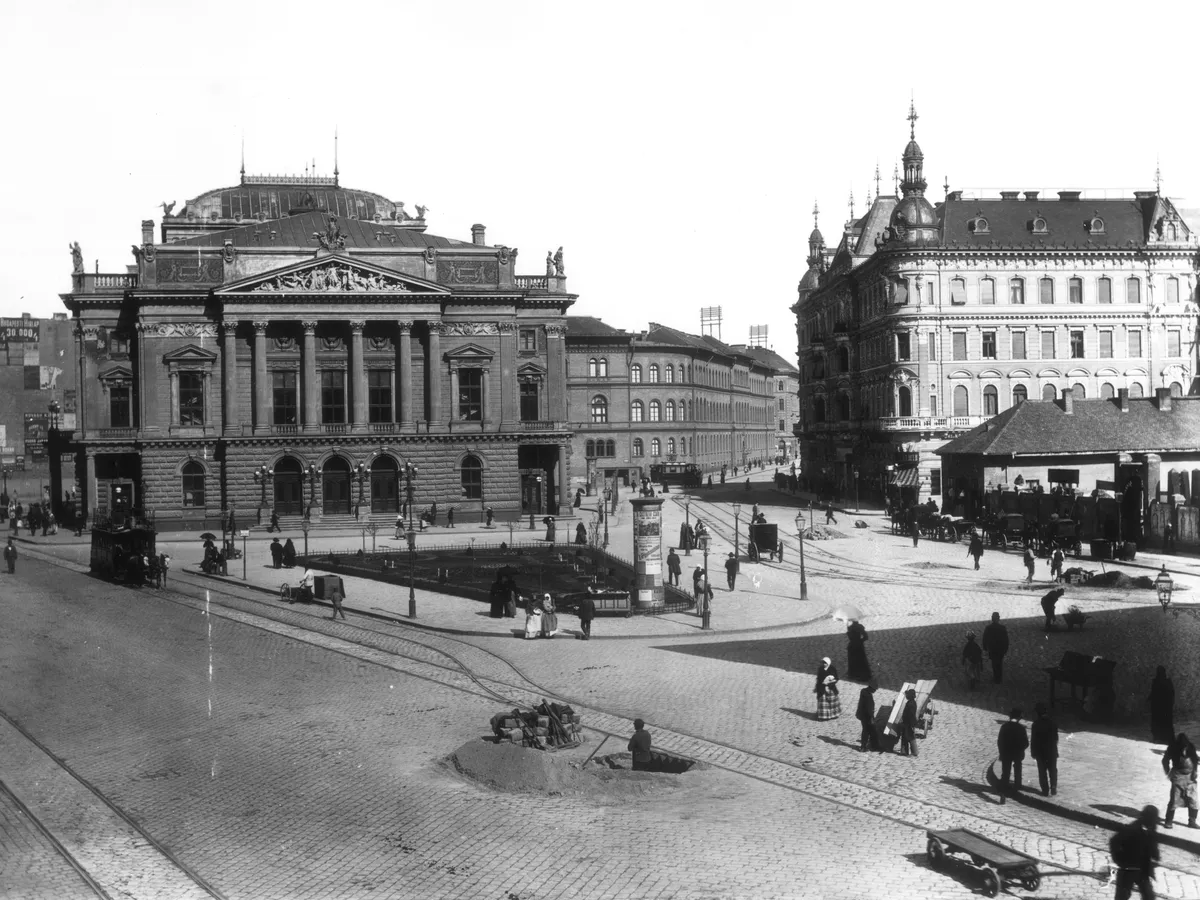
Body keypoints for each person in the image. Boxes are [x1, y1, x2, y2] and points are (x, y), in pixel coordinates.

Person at [1109, 805, 1160, 899]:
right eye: (1153, 819)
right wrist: (1119, 860)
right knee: (1122, 896)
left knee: (1149, 896)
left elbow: (1152, 846)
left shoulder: (1151, 829)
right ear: (1146, 818)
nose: (1154, 822)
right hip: (1128, 869)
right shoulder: (1133, 829)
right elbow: (1114, 841)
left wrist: (1156, 855)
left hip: (1142, 869)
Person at [1162, 733, 1199, 829]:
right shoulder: (1173, 748)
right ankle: (1168, 821)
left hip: (1190, 778)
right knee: (1174, 800)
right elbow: (1165, 760)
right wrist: (1167, 771)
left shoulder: (1190, 747)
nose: (1184, 751)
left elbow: (1195, 759)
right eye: (1183, 748)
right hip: (1178, 776)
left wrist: (1195, 771)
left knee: (1193, 800)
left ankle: (1192, 821)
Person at [996, 708, 1028, 804]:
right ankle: (1017, 788)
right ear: (1019, 718)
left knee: (1005, 773)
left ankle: (1003, 793)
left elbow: (1000, 741)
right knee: (1018, 770)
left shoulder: (1004, 727)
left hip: (1006, 753)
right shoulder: (1021, 728)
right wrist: (1020, 749)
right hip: (1017, 754)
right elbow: (1026, 743)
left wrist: (1001, 752)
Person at [1030, 702, 1059, 797]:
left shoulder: (1035, 724)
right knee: (1053, 769)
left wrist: (1033, 752)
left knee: (1042, 771)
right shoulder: (1052, 723)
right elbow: (1056, 738)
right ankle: (1053, 785)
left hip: (1040, 752)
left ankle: (1045, 790)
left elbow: (1033, 740)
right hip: (1051, 751)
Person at [1150, 666, 1175, 745]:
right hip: (1164, 707)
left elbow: (1153, 693)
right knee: (1164, 722)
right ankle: (1163, 737)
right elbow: (1171, 693)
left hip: (1159, 706)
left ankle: (1158, 737)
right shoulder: (1167, 681)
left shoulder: (1157, 681)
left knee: (1158, 722)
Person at [982, 612, 1009, 684]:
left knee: (994, 663)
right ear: (999, 618)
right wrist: (1005, 649)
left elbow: (985, 638)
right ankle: (999, 678)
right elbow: (1006, 640)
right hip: (1000, 649)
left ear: (992, 618)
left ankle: (995, 677)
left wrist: (985, 647)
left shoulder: (988, 628)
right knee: (999, 663)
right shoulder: (1002, 628)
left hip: (992, 649)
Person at [856, 680, 880, 752]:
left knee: (867, 731)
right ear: (871, 688)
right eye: (874, 689)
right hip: (867, 717)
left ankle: (868, 746)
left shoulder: (863, 691)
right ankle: (864, 747)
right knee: (867, 731)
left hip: (862, 715)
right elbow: (869, 709)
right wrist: (872, 718)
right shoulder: (868, 696)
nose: (875, 691)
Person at [899, 687, 918, 757]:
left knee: (911, 737)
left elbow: (911, 716)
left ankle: (914, 753)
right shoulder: (910, 702)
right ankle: (904, 751)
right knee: (904, 736)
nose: (906, 696)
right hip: (906, 723)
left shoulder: (911, 704)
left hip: (909, 723)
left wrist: (911, 725)